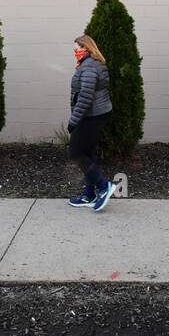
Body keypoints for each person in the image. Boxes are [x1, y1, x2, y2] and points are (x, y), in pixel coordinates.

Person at [66, 33, 114, 211]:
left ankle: (103, 186)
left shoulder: (89, 67)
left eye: (77, 48)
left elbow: (85, 98)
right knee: (88, 153)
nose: (75, 51)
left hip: (91, 116)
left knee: (76, 152)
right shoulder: (91, 64)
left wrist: (73, 121)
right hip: (96, 115)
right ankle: (89, 194)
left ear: (86, 48)